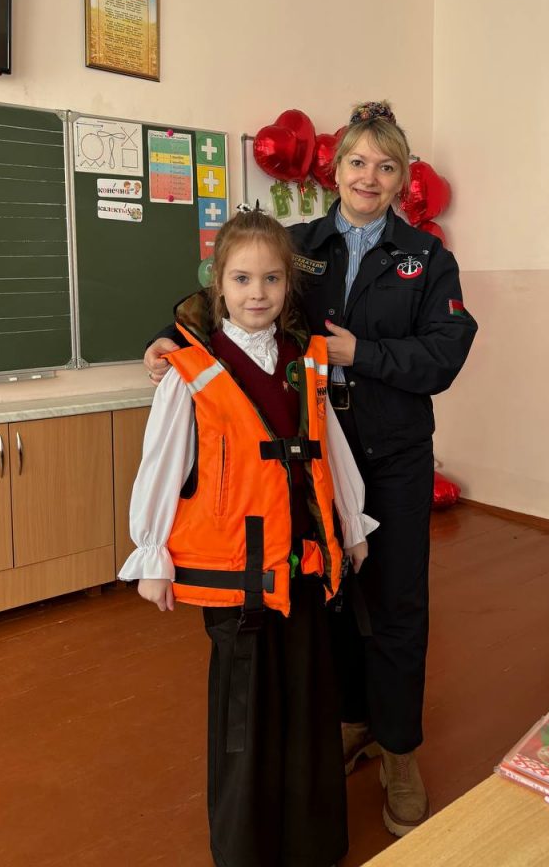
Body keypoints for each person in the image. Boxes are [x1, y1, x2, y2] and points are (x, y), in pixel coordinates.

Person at [145, 101, 478, 838]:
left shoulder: (428, 258)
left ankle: (399, 750)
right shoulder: (298, 246)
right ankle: (354, 721)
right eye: (357, 161)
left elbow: (445, 354)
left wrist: (366, 354)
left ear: (403, 178)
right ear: (336, 168)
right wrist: (166, 337)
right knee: (329, 600)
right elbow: (232, 296)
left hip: (392, 457)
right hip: (308, 458)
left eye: (386, 166)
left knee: (395, 605)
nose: (369, 176)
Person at [121, 208, 378, 867]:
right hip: (236, 580)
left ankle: (312, 843)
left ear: (289, 286)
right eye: (241, 279)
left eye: (271, 279)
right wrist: (152, 555)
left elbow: (329, 448)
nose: (257, 292)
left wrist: (352, 524)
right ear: (219, 285)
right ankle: (246, 849)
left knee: (307, 704)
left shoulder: (305, 361)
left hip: (303, 568)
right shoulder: (191, 369)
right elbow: (162, 464)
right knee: (246, 717)